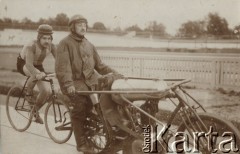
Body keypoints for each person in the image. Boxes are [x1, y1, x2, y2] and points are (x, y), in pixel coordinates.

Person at [55, 14, 121, 153]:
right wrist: (69, 85)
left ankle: (106, 136)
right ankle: (81, 144)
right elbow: (63, 68)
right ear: (72, 27)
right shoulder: (64, 43)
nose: (83, 27)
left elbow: (100, 66)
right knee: (79, 109)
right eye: (79, 24)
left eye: (84, 24)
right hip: (73, 82)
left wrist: (116, 74)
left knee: (103, 106)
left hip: (90, 82)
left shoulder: (89, 44)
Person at [17, 24, 56, 124]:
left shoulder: (52, 46)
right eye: (44, 38)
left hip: (38, 65)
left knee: (46, 91)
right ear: (39, 38)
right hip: (24, 63)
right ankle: (28, 93)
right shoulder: (32, 46)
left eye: (49, 38)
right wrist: (37, 73)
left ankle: (34, 111)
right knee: (35, 74)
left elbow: (60, 62)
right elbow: (29, 65)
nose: (47, 41)